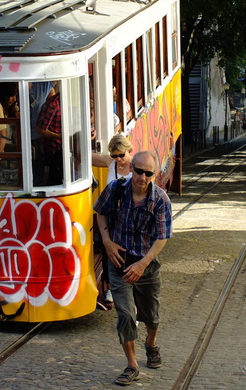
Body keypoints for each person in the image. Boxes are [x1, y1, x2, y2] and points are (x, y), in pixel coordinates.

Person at [94, 151, 172, 386]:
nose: (143, 177)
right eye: (139, 171)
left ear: (153, 174)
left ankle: (151, 344)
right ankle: (132, 365)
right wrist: (107, 242)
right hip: (119, 264)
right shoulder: (116, 189)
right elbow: (101, 213)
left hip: (146, 265)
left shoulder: (160, 199)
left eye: (149, 173)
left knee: (152, 317)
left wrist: (143, 263)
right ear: (131, 169)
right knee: (126, 315)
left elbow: (162, 237)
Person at [92, 134, 135, 310]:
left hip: (129, 219)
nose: (118, 159)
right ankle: (109, 287)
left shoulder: (137, 166)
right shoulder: (111, 164)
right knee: (108, 251)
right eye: (114, 156)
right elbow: (83, 155)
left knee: (128, 253)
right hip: (110, 217)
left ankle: (131, 288)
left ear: (129, 151)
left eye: (121, 155)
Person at [35, 82, 62, 184]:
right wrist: (59, 136)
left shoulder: (74, 99)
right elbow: (39, 129)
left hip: (67, 149)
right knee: (55, 181)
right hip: (54, 152)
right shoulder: (54, 104)